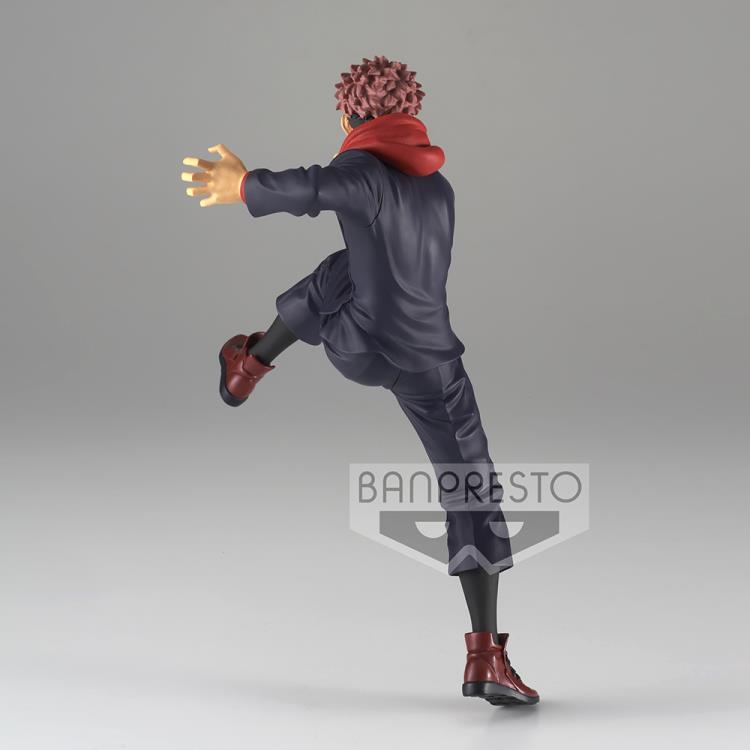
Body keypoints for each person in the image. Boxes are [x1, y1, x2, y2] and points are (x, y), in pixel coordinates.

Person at [181, 55, 538, 706]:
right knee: (472, 487)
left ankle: (249, 362)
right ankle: (486, 653)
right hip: (433, 361)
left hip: (361, 346)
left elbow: (314, 187)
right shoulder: (439, 187)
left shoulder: (362, 174)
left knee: (337, 271)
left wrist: (245, 185)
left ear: (349, 118)